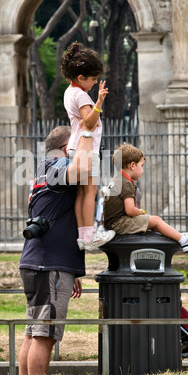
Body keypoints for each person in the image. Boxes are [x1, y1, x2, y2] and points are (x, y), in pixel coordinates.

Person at [19, 122, 96, 375]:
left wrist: (71, 269)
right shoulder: (57, 165)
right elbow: (83, 168)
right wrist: (86, 131)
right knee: (45, 335)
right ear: (67, 147)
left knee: (34, 331)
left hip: (38, 261)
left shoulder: (41, 170)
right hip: (49, 263)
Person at [60, 41, 115, 251]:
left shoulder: (69, 92)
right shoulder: (81, 95)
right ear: (80, 78)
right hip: (86, 149)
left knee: (83, 193)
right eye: (92, 79)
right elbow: (89, 124)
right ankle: (89, 235)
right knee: (90, 192)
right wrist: (99, 102)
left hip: (76, 148)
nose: (94, 83)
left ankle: (83, 236)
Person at [103, 142, 188, 253]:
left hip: (114, 223)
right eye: (141, 166)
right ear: (132, 165)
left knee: (152, 222)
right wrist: (141, 212)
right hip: (120, 223)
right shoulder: (126, 183)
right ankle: (185, 241)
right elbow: (130, 210)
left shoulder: (116, 180)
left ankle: (179, 235)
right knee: (156, 220)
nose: (142, 170)